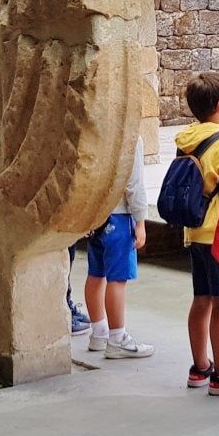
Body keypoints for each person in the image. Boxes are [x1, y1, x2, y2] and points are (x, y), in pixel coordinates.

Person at [175, 72, 219, 396]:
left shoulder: (186, 139)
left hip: (193, 232)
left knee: (201, 300)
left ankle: (199, 367)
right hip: (218, 234)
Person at [84, 134, 153, 359]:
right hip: (120, 216)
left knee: (96, 273)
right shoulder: (130, 137)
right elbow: (133, 184)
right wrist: (140, 221)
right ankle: (117, 338)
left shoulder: (95, 133)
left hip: (95, 215)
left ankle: (99, 332)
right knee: (117, 278)